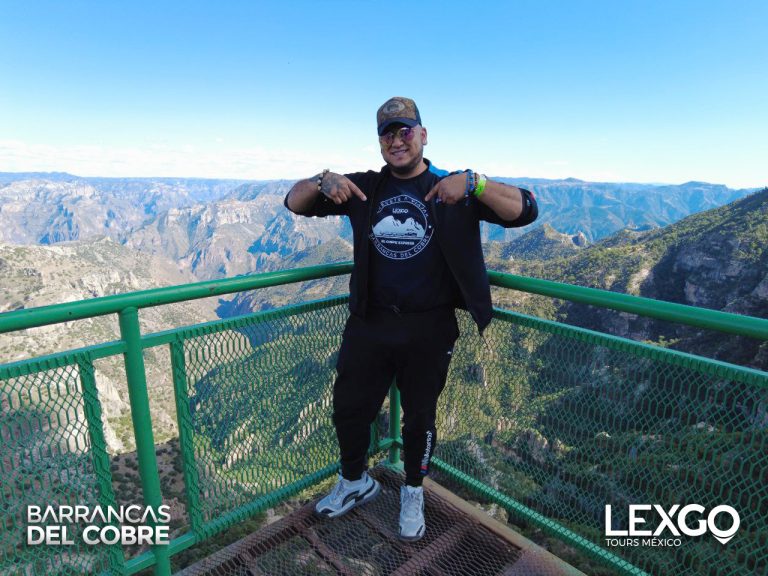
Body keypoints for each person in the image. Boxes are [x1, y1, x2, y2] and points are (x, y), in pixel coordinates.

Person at [284, 96, 538, 541]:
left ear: (423, 135)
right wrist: (325, 179)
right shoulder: (364, 189)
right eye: (387, 133)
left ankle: (413, 492)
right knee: (349, 408)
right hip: (371, 322)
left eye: (405, 131)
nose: (396, 140)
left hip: (429, 325)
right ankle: (354, 482)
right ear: (379, 143)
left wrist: (475, 183)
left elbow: (528, 209)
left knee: (419, 418)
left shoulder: (453, 187)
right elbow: (295, 203)